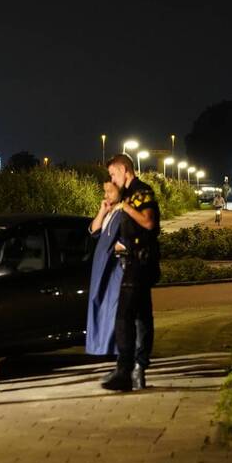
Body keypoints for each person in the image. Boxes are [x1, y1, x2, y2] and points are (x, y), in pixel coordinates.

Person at [101, 153, 160, 392]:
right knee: (142, 316)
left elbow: (148, 223)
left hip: (139, 262)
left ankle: (125, 370)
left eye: (114, 174)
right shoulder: (126, 195)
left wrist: (124, 205)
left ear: (125, 170)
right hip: (133, 261)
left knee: (124, 315)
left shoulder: (142, 192)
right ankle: (139, 368)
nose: (112, 180)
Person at [85, 179, 124, 357]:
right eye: (104, 191)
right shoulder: (110, 212)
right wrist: (102, 211)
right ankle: (102, 346)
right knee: (99, 304)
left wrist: (112, 247)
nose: (106, 195)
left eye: (110, 191)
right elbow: (94, 231)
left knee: (113, 308)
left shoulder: (124, 213)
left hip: (114, 268)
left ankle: (114, 348)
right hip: (101, 267)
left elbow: (126, 241)